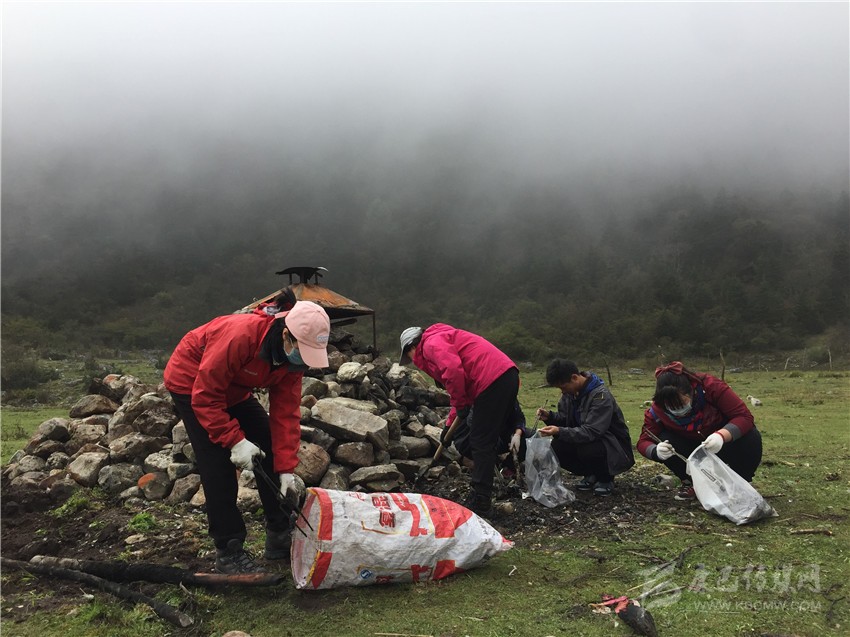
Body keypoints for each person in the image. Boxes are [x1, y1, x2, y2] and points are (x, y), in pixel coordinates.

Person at [164, 289, 330, 574]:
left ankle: (279, 534)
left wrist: (286, 470)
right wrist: (235, 441)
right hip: (192, 383)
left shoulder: (292, 362)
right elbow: (205, 397)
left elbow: (286, 414)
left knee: (268, 443)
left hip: (234, 388)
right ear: (286, 335)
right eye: (302, 352)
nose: (303, 362)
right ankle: (228, 550)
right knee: (217, 462)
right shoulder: (240, 336)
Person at [399, 324, 521, 516]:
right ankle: (493, 484)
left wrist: (461, 403)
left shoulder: (431, 343)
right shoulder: (442, 337)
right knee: (486, 437)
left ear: (412, 347)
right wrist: (448, 428)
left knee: (481, 441)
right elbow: (460, 392)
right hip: (504, 375)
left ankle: (481, 500)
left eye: (409, 356)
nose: (413, 361)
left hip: (492, 379)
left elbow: (453, 371)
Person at [637, 361, 762, 500]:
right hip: (691, 451)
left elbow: (744, 417)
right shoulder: (656, 411)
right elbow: (643, 441)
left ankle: (742, 482)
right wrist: (656, 451)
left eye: (682, 403)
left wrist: (722, 435)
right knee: (664, 438)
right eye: (671, 406)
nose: (678, 410)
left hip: (722, 444)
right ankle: (693, 483)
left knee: (750, 436)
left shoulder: (711, 387)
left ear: (691, 392)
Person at [536, 359, 634, 496]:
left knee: (588, 449)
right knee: (557, 446)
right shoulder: (569, 395)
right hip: (587, 439)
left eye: (563, 387)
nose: (562, 391)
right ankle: (591, 473)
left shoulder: (600, 396)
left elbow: (592, 431)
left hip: (613, 446)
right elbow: (566, 420)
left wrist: (559, 431)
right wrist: (550, 417)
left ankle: (605, 478)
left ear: (574, 378)